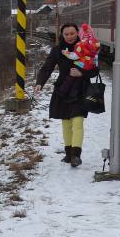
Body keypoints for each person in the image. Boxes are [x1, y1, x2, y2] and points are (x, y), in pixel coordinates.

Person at [34, 22, 97, 167]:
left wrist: (81, 72)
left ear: (77, 33)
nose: (69, 37)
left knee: (78, 122)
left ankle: (76, 155)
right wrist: (40, 83)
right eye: (66, 34)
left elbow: (95, 70)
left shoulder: (87, 48)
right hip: (63, 90)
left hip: (81, 89)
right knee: (66, 123)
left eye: (72, 33)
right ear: (62, 35)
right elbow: (47, 67)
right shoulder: (57, 50)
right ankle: (68, 155)